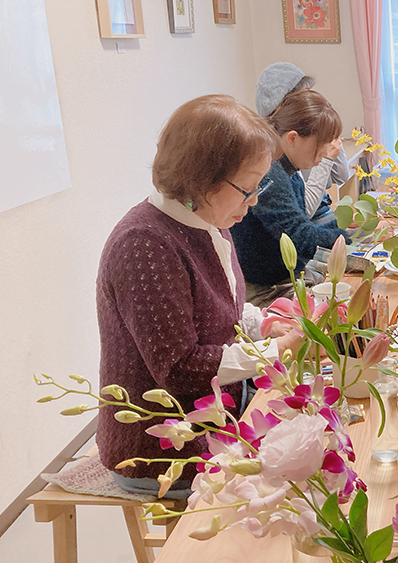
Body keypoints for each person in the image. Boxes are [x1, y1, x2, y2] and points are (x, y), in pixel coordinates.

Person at [96, 95, 301, 497]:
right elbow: (180, 368)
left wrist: (264, 324)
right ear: (203, 179)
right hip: (162, 448)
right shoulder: (144, 244)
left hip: (218, 412)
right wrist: (276, 350)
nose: (254, 201)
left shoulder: (207, 217)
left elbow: (220, 306)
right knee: (295, 482)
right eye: (247, 189)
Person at [231, 89, 351, 306]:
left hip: (285, 276)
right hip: (266, 289)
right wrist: (352, 237)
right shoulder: (269, 171)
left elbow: (300, 225)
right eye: (320, 144)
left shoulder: (285, 166)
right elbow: (301, 237)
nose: (325, 153)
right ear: (293, 138)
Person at [255, 61, 349, 225]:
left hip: (323, 212)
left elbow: (341, 177)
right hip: (313, 221)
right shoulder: (281, 149)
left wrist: (327, 131)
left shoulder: (307, 132)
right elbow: (305, 211)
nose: (309, 101)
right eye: (303, 96)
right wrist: (326, 158)